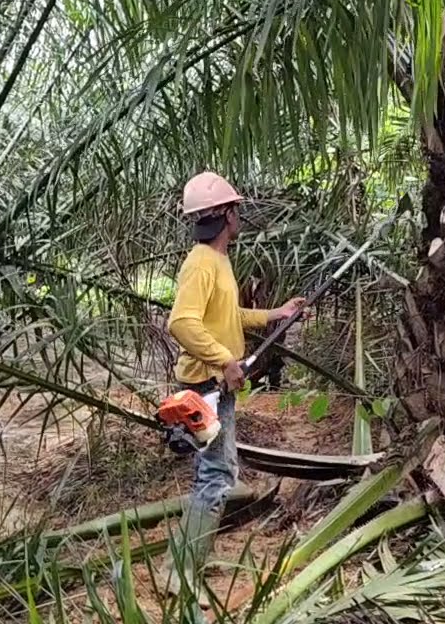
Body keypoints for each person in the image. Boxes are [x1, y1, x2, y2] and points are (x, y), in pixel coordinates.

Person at [159, 171, 305, 606]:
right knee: (217, 476)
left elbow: (227, 315)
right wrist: (224, 360)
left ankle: (181, 565)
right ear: (226, 215)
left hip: (213, 384)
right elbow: (181, 322)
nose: (239, 215)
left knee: (214, 474)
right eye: (235, 209)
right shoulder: (202, 262)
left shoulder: (217, 261)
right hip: (204, 385)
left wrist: (275, 314)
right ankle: (180, 572)